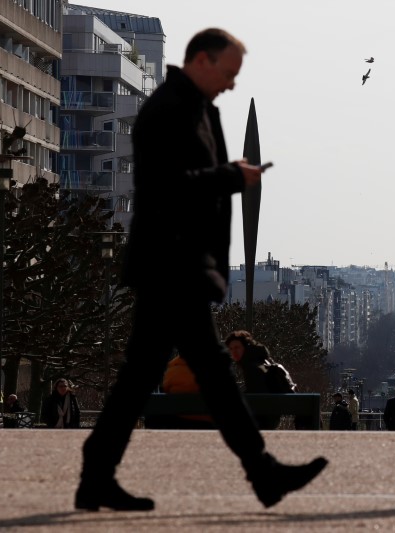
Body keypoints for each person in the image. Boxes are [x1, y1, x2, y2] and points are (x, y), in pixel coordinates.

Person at [75, 28, 327, 512]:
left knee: (169, 374)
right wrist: (234, 176)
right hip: (172, 262)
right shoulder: (170, 109)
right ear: (204, 61)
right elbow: (168, 187)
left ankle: (98, 474)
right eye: (229, 73)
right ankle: (262, 472)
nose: (232, 84)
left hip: (177, 262)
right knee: (205, 372)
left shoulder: (191, 107)